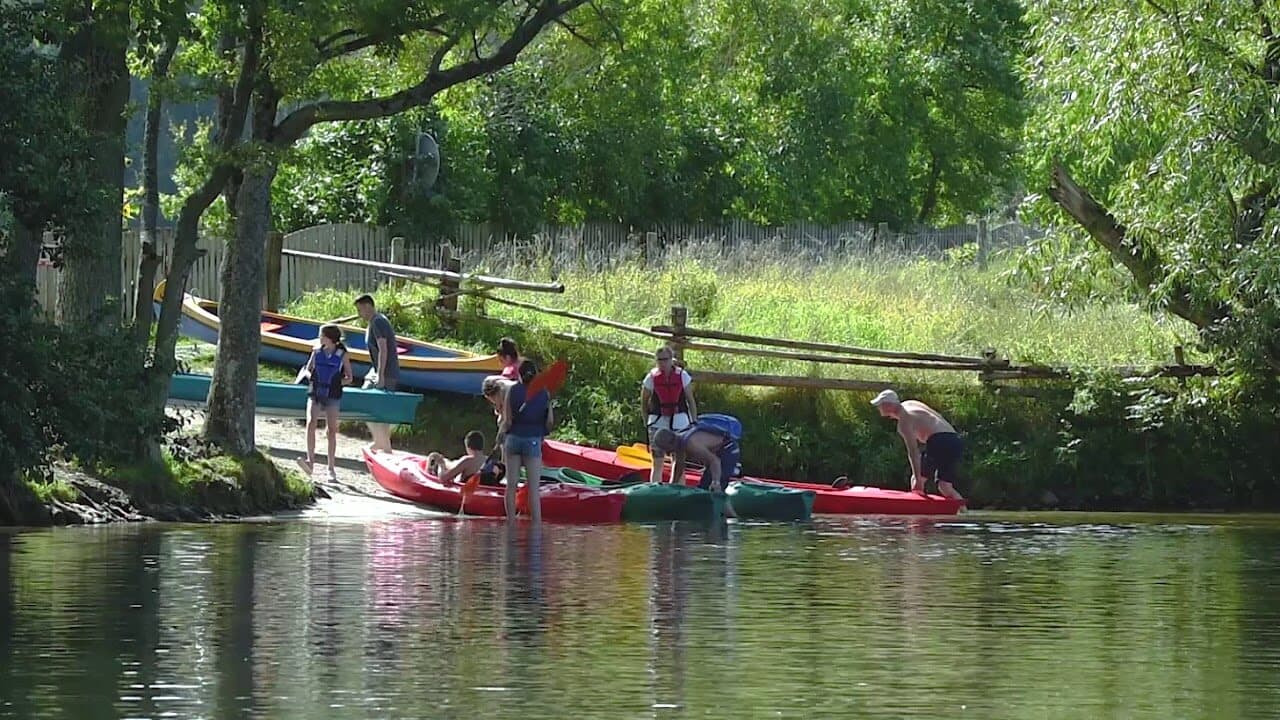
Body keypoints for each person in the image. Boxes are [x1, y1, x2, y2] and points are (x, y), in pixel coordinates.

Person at [870, 389, 965, 501]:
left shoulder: (904, 422)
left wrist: (917, 478)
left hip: (939, 440)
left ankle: (917, 508)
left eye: (880, 405)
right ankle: (963, 509)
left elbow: (913, 452)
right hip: (954, 440)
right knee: (945, 486)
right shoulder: (910, 403)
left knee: (917, 480)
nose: (878, 407)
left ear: (889, 406)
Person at [295, 324, 354, 480]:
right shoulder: (316, 352)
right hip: (315, 392)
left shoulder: (342, 355)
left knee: (331, 430)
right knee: (311, 423)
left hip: (333, 395)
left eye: (322, 335)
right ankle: (310, 462)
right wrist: (312, 378)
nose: (320, 338)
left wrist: (336, 383)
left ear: (330, 338)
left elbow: (349, 378)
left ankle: (331, 468)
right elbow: (308, 369)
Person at [499, 359, 554, 522]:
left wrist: (501, 434)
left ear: (520, 375)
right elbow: (549, 421)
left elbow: (507, 420)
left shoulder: (512, 390)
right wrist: (543, 432)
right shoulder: (544, 393)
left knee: (511, 485)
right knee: (533, 489)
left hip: (513, 439)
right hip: (533, 440)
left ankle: (510, 523)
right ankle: (536, 525)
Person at [651, 422, 739, 518]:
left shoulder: (691, 444)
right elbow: (679, 467)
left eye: (667, 449)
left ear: (671, 443)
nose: (668, 453)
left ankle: (726, 520)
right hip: (716, 455)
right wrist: (672, 488)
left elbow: (715, 461)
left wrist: (716, 482)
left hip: (728, 450)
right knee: (703, 490)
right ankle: (730, 517)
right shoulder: (679, 443)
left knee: (715, 491)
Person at [640, 345, 698, 484]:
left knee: (678, 461)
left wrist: (694, 421)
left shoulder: (682, 376)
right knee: (657, 461)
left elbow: (690, 400)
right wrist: (645, 420)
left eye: (665, 359)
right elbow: (644, 401)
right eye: (659, 360)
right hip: (657, 421)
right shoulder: (651, 378)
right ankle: (656, 489)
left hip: (680, 422)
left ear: (671, 360)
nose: (662, 363)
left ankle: (678, 490)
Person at [354, 293, 399, 451]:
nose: (359, 314)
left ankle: (382, 442)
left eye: (360, 310)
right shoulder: (375, 321)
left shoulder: (378, 322)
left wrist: (380, 375)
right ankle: (384, 445)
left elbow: (383, 349)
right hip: (378, 371)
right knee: (379, 408)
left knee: (366, 402)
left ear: (368, 306)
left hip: (386, 373)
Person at [425, 430, 502, 485]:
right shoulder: (490, 462)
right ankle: (446, 461)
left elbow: (443, 478)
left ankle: (442, 462)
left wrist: (441, 465)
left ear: (468, 447)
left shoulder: (467, 460)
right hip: (485, 492)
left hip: (469, 493)